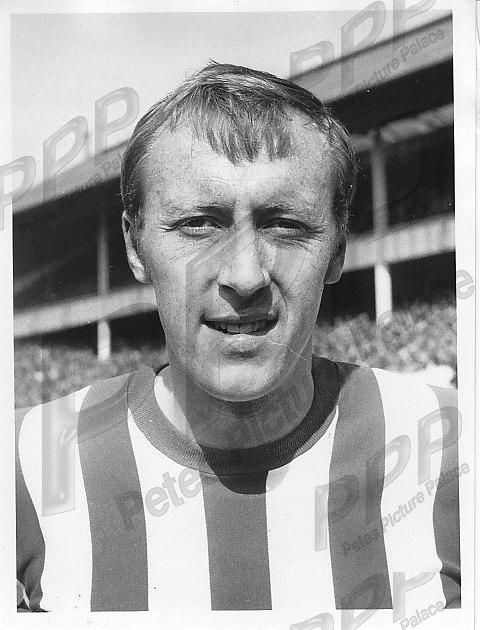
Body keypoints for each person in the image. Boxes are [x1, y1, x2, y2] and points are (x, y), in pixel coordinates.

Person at [16, 62, 460, 625]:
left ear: (338, 248)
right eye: (199, 224)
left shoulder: (453, 447)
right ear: (134, 246)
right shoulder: (26, 464)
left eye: (286, 225)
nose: (245, 276)